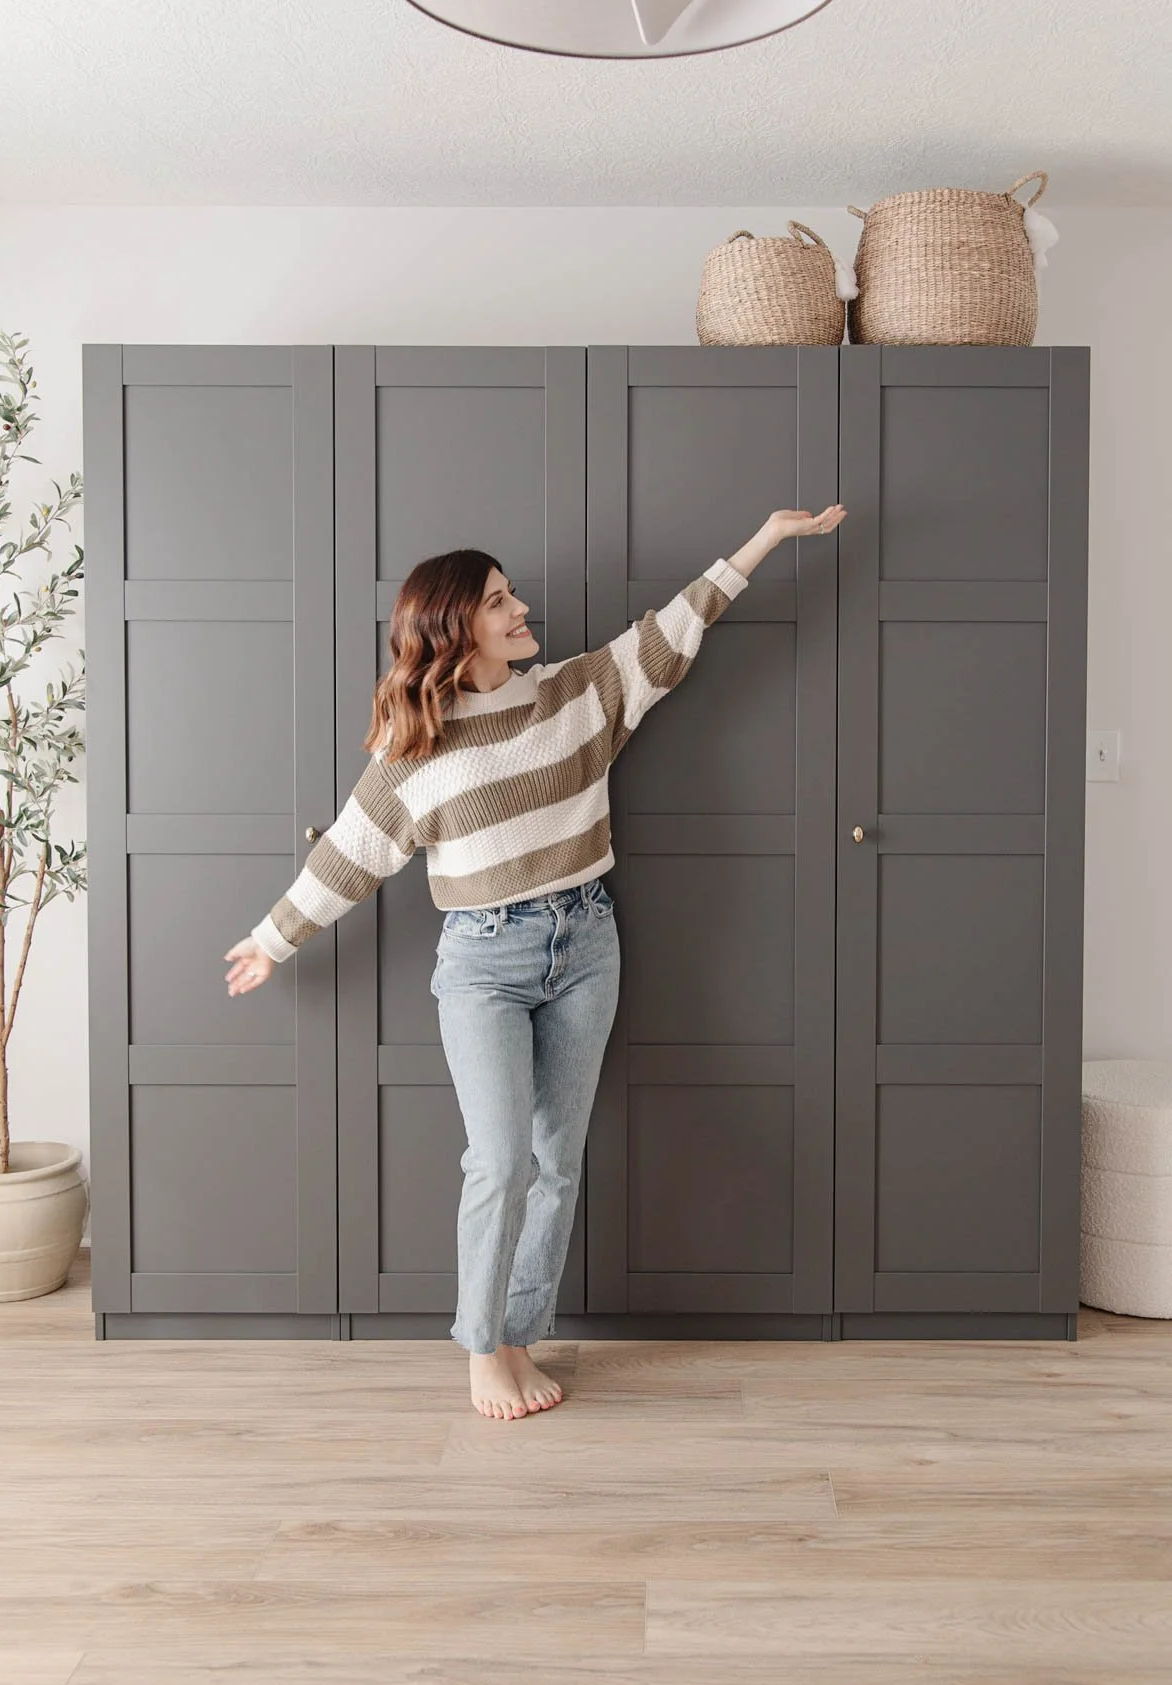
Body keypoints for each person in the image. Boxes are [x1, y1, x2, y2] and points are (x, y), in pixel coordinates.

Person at [224, 501, 846, 1422]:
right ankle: (481, 1349)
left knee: (557, 1162)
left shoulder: (576, 694)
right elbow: (352, 853)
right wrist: (274, 938)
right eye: (499, 602)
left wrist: (764, 540)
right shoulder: (415, 747)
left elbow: (675, 629)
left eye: (513, 596)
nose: (522, 612)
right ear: (454, 629)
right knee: (501, 1161)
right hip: (483, 961)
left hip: (587, 942)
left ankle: (518, 1337)